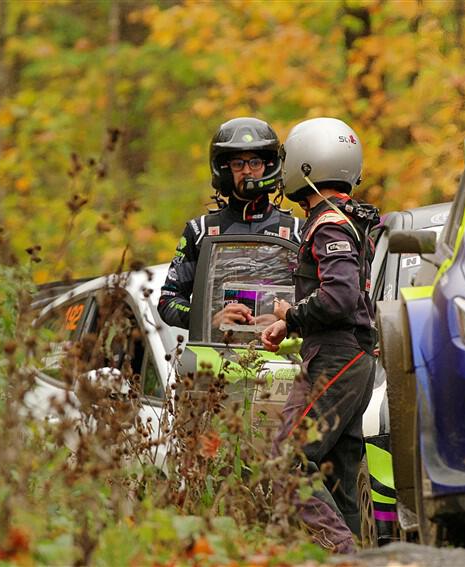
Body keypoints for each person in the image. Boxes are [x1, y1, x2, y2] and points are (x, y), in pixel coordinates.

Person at [261, 117, 380, 553]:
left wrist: (292, 314)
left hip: (336, 359)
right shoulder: (348, 219)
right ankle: (358, 556)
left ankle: (344, 556)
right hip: (352, 359)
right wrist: (290, 323)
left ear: (304, 165)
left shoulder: (327, 223)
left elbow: (339, 298)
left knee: (287, 461)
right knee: (335, 475)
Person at [158, 117, 302, 329]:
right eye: (238, 164)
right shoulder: (200, 231)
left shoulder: (297, 231)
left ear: (268, 166)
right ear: (224, 170)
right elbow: (168, 300)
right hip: (214, 354)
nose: (247, 171)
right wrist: (209, 318)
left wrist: (287, 321)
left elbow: (320, 302)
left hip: (284, 355)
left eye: (255, 162)